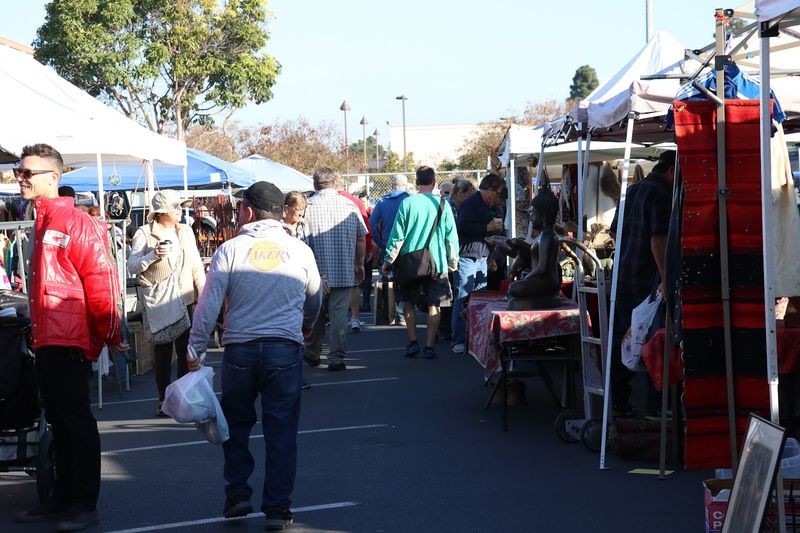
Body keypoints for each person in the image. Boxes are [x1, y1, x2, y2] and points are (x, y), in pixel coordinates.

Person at [186, 181, 321, 531]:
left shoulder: (230, 250)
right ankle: (277, 508)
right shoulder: (299, 250)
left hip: (240, 349)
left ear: (247, 210)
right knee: (281, 431)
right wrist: (305, 324)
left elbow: (209, 303)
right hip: (284, 350)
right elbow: (315, 298)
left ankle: (237, 494)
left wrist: (195, 347)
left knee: (236, 426)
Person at [13, 143, 129, 531]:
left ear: (53, 177)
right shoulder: (42, 220)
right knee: (60, 422)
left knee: (76, 422)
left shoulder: (75, 222)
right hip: (48, 337)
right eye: (19, 171)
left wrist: (110, 332)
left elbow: (101, 280)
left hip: (69, 339)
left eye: (28, 172)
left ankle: (84, 501)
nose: (21, 178)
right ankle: (63, 496)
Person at [127, 189, 206, 416]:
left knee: (185, 352)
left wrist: (204, 292)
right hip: (159, 302)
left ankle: (180, 398)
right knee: (161, 354)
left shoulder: (186, 232)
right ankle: (163, 398)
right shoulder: (145, 233)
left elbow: (195, 265)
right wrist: (153, 255)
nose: (181, 211)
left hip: (185, 297)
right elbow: (132, 266)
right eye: (177, 207)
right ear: (163, 211)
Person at [609, 150, 675, 416]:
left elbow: (614, 231)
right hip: (648, 284)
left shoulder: (634, 191)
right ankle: (653, 408)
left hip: (624, 277)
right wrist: (666, 280)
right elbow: (658, 240)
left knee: (624, 342)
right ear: (672, 171)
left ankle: (619, 403)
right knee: (651, 343)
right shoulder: (662, 193)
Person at [381, 166, 459, 359]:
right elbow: (451, 236)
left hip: (410, 262)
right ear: (434, 183)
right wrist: (453, 258)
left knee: (408, 302)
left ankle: (413, 341)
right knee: (435, 305)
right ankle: (430, 345)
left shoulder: (407, 203)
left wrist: (388, 260)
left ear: (416, 183)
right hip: (437, 262)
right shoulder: (443, 204)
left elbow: (397, 236)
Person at [304, 168, 367, 371]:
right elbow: (360, 238)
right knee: (339, 315)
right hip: (344, 269)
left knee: (315, 315)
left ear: (315, 184)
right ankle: (336, 357)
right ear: (334, 182)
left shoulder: (306, 207)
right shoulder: (349, 205)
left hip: (313, 272)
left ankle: (312, 353)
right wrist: (359, 263)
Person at [449, 174, 506, 354]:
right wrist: (487, 228)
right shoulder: (472, 202)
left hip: (481, 255)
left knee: (480, 297)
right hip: (469, 255)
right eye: (496, 193)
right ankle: (458, 339)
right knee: (463, 296)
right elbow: (462, 226)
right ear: (489, 188)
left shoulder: (484, 204)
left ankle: (477, 336)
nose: (496, 197)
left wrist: (491, 257)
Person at [370, 173, 410, 325]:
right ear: (405, 185)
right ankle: (401, 314)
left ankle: (387, 312)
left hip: (387, 245)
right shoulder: (409, 199)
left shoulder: (382, 202)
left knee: (387, 277)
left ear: (393, 185)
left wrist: (379, 241)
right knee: (404, 280)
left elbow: (373, 223)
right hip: (406, 246)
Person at [335, 182, 372, 331]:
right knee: (354, 283)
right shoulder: (355, 202)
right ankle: (355, 318)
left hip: (327, 248)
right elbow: (364, 231)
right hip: (351, 247)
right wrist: (365, 253)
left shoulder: (316, 201)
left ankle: (334, 318)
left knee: (329, 287)